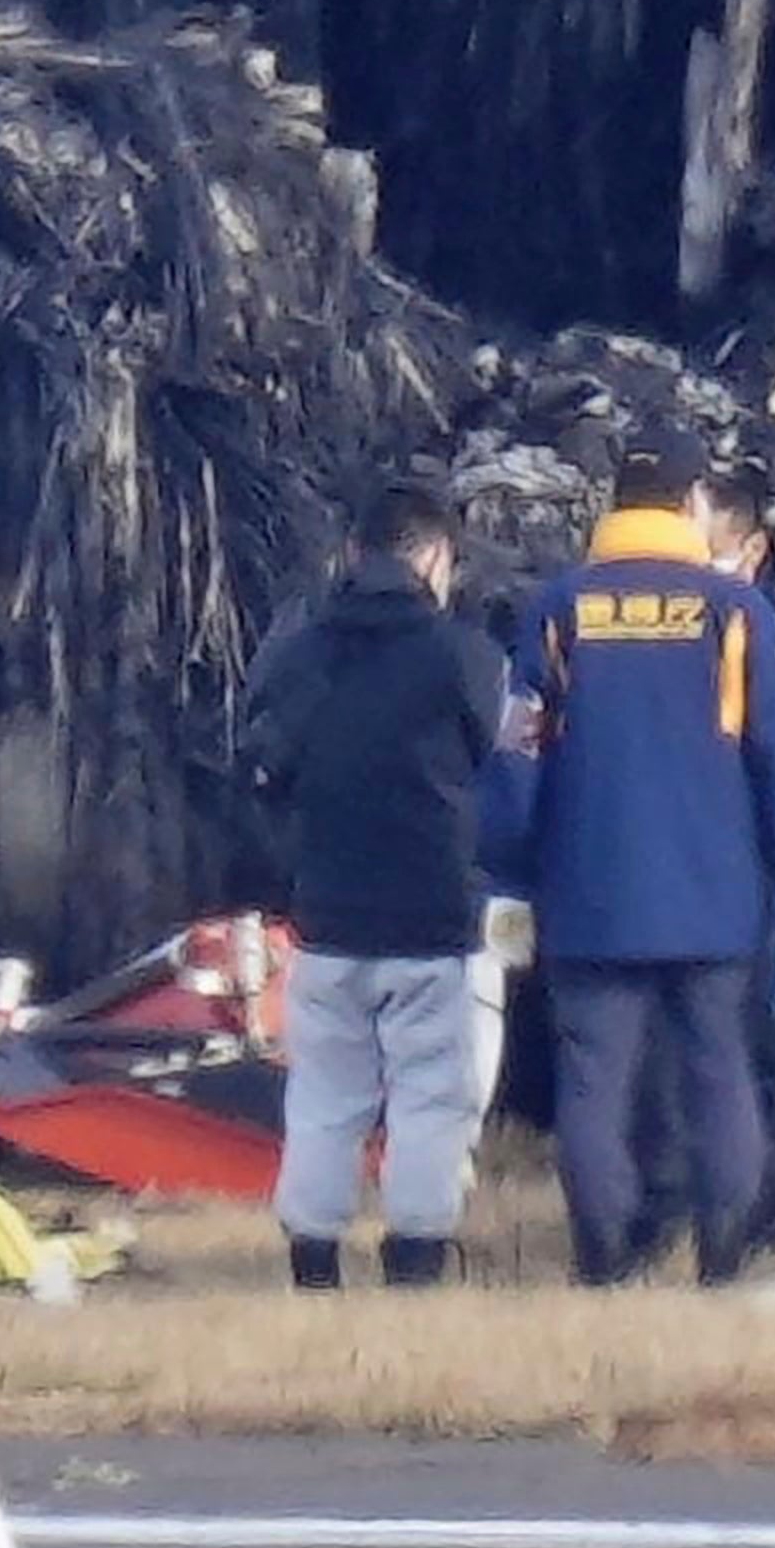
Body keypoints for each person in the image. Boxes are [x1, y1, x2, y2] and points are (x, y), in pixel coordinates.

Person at [490, 450, 775, 1288]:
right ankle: (724, 1253)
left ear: (610, 510)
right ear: (686, 508)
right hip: (716, 896)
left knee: (595, 1080)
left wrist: (506, 868)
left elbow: (519, 753)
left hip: (589, 895)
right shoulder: (737, 610)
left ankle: (604, 1258)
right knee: (720, 1071)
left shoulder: (559, 609)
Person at [231, 473, 516, 1289]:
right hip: (435, 919)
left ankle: (313, 1260)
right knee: (432, 1099)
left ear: (353, 553)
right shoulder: (464, 655)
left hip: (326, 915)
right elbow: (500, 765)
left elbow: (258, 767)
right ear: (434, 557)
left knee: (324, 1098)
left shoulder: (301, 651)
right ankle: (416, 1259)